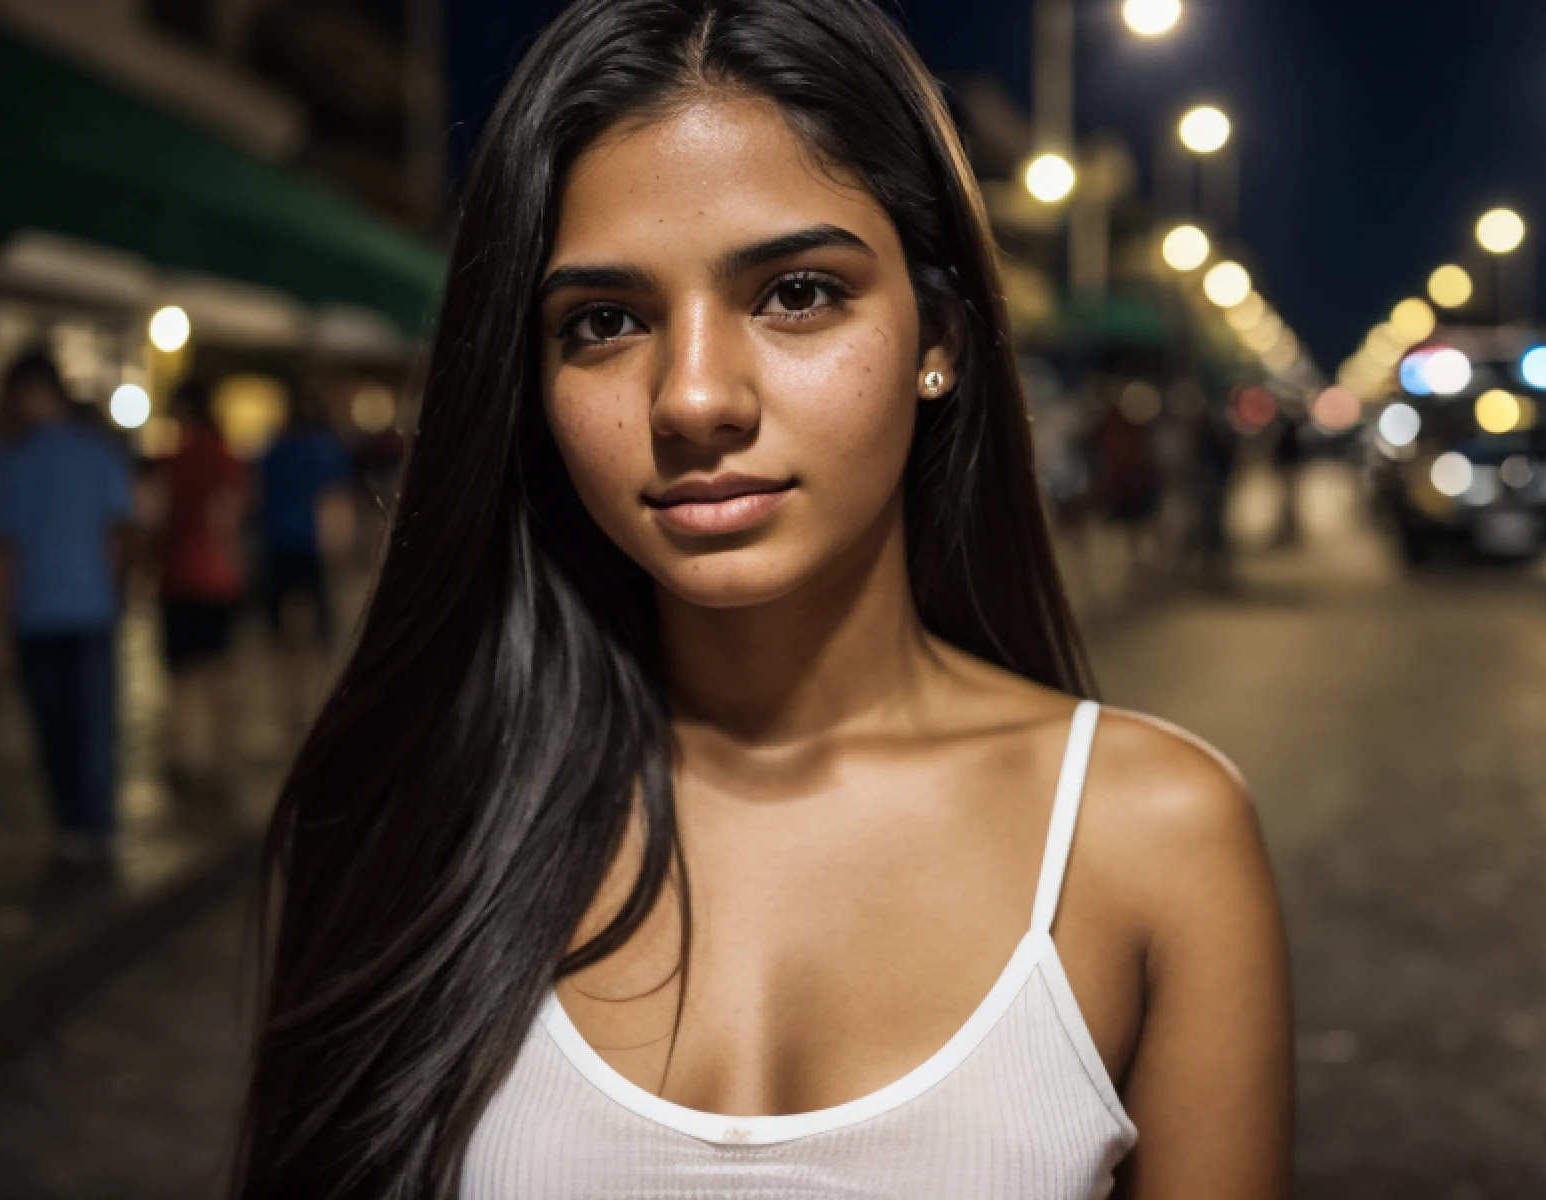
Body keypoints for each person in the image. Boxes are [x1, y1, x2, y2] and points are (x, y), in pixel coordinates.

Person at [233, 3, 1293, 1198]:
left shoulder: (1151, 840)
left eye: (794, 293)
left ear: (936, 337)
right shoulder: (405, 812)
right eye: (605, 321)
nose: (692, 396)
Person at [0, 351, 134, 863]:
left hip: (47, 612)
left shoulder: (14, 459)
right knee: (88, 725)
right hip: (83, 609)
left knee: (60, 728)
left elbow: (5, 553)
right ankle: (93, 824)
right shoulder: (93, 453)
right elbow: (116, 533)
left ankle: (78, 826)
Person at [157, 380, 247, 789]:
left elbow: (156, 516)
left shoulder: (175, 458)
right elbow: (226, 517)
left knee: (180, 672)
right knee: (216, 668)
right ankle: (217, 754)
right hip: (215, 576)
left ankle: (183, 754)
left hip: (178, 576)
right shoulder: (223, 456)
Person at [256, 387, 352, 729]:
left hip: (278, 543)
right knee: (318, 628)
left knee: (281, 629)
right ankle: (310, 699)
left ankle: (285, 703)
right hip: (313, 545)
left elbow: (259, 494)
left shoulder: (276, 450)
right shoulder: (326, 451)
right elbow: (335, 502)